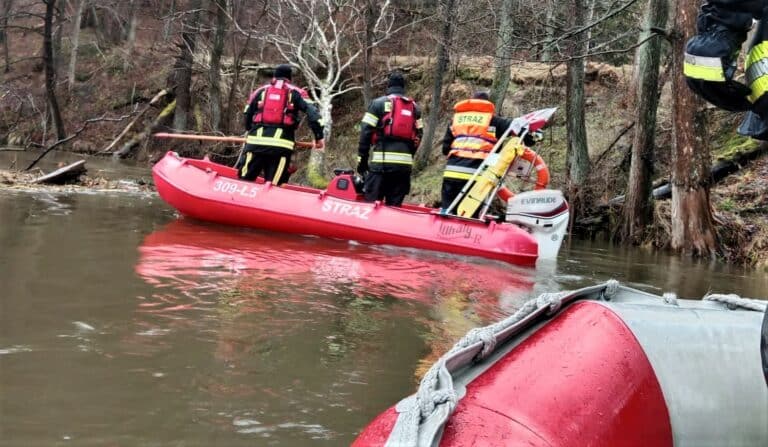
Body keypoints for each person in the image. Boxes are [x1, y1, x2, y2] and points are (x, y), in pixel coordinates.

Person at [440, 91, 539, 213]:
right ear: (488, 104)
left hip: (452, 173)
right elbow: (518, 128)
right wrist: (533, 137)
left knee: (447, 210)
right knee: (469, 213)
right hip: (476, 176)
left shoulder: (456, 120)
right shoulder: (494, 120)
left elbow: (445, 149)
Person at [239, 64, 325, 184]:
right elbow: (314, 116)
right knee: (273, 185)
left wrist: (249, 130)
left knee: (244, 181)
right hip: (280, 147)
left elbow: (247, 114)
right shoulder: (297, 93)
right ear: (289, 78)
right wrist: (318, 138)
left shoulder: (260, 91)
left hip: (255, 144)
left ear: (274, 76)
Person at [357, 71, 423, 206]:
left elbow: (365, 132)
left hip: (380, 168)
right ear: (403, 87)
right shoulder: (414, 108)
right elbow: (419, 135)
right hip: (403, 170)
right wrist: (408, 157)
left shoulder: (378, 104)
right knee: (394, 210)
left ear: (388, 86)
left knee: (371, 208)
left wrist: (362, 161)